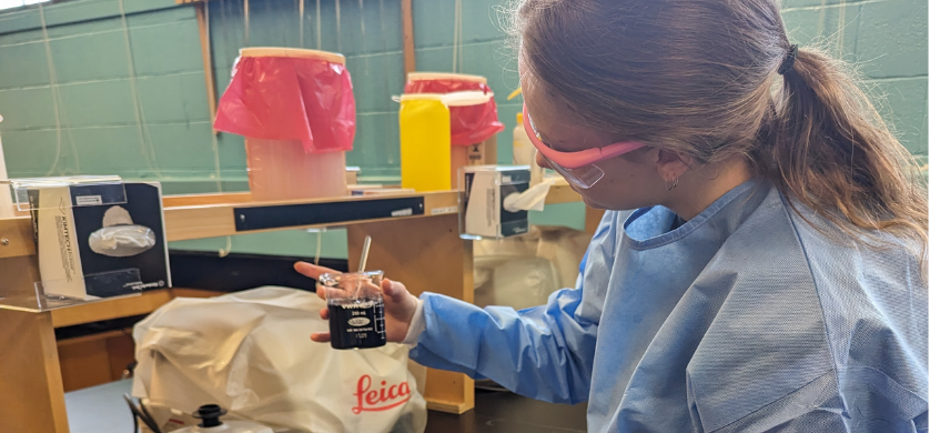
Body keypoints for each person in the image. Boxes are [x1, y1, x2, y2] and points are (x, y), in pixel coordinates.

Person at [296, 0, 929, 431]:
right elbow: (581, 350)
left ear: (669, 152)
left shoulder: (800, 333)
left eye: (557, 146)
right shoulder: (648, 208)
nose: (541, 164)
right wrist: (423, 320)